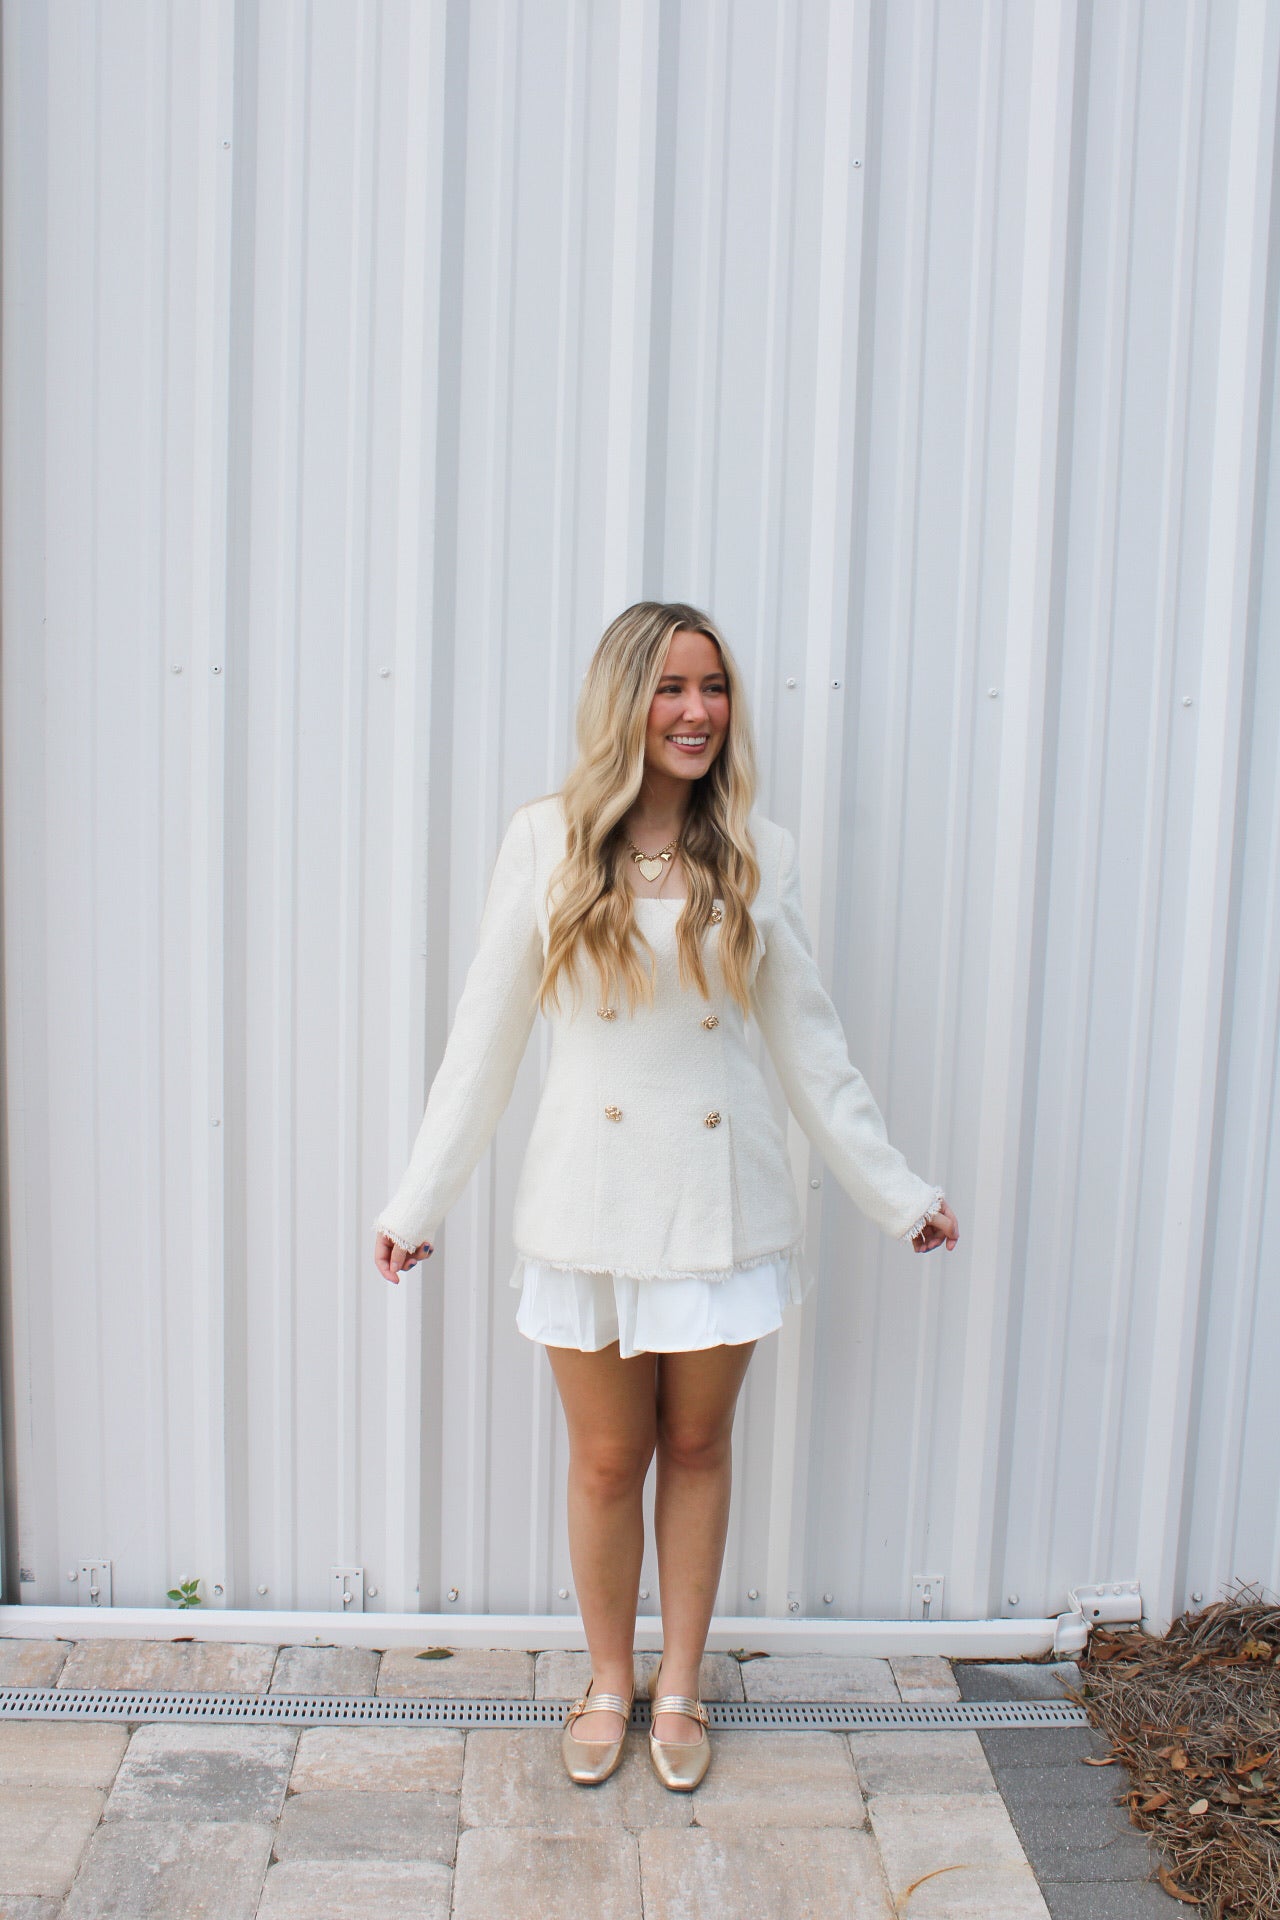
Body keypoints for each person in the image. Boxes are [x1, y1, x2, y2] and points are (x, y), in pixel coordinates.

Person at [372, 600, 959, 1793]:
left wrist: (897, 1194)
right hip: (585, 1203)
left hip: (719, 1201)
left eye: (714, 688)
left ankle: (679, 1682)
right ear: (623, 701)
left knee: (696, 1444)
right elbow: (482, 1040)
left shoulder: (755, 850)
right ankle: (606, 1680)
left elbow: (810, 1049)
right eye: (672, 688)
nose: (698, 712)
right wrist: (416, 1203)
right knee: (606, 1459)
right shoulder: (545, 841)